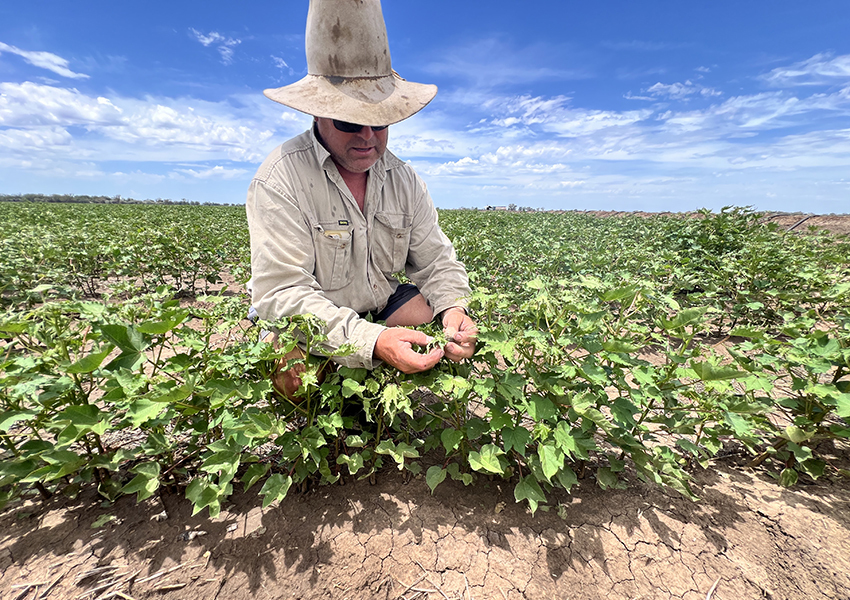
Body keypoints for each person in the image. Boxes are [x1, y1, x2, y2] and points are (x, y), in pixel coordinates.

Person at [246, 0, 476, 399]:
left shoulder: (403, 179)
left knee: (442, 324)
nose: (368, 137)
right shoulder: (280, 176)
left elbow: (437, 261)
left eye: (381, 122)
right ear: (317, 114)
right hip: (314, 315)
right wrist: (371, 341)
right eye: (350, 122)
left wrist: (455, 309)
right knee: (288, 369)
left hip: (379, 304)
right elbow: (281, 293)